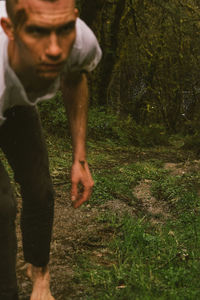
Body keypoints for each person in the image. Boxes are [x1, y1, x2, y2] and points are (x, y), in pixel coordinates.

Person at [0, 0, 102, 299]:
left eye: (64, 29)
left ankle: (40, 276)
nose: (56, 49)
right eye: (37, 31)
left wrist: (80, 158)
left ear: (74, 19)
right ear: (10, 29)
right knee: (1, 204)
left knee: (40, 190)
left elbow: (74, 77)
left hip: (17, 106)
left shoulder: (80, 41)